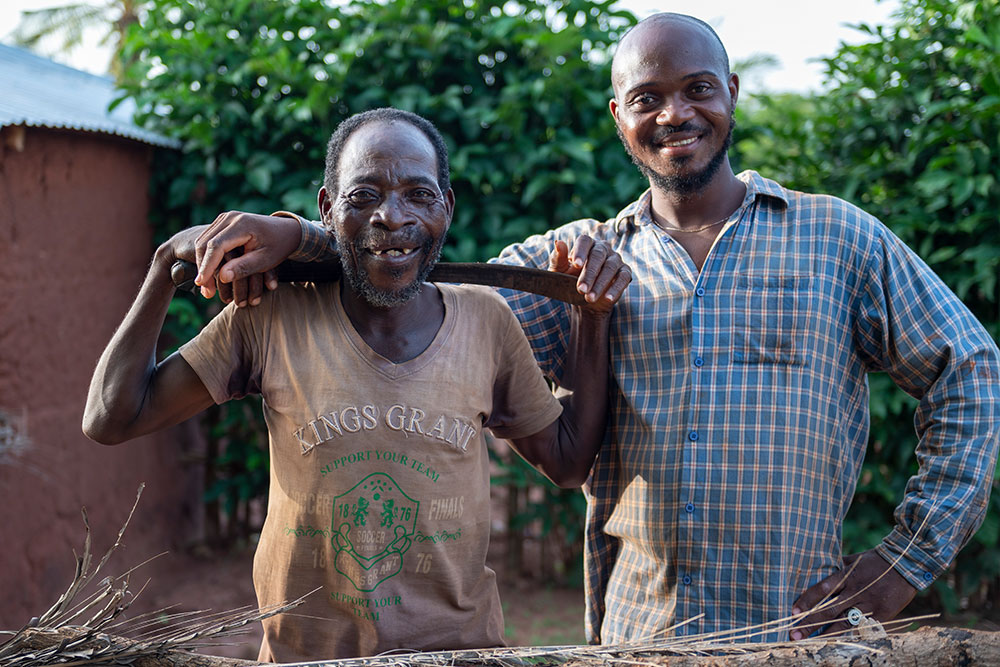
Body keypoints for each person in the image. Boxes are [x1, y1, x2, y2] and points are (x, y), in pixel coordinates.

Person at [187, 13, 1000, 645]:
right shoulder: (573, 265)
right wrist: (305, 235)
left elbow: (969, 366)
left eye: (698, 89)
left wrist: (901, 564)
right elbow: (413, 275)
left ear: (732, 95)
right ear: (620, 118)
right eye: (648, 98)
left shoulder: (839, 239)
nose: (675, 113)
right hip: (637, 639)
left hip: (794, 632)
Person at [82, 108, 632, 661]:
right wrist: (162, 267)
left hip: (458, 656)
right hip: (307, 656)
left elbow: (566, 461)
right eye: (363, 195)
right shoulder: (269, 317)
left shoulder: (486, 322)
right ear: (327, 208)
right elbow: (112, 417)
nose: (392, 217)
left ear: (447, 205)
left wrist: (592, 316)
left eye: (419, 194)